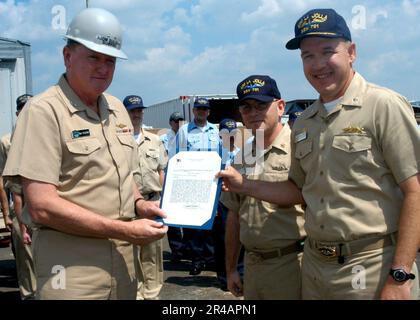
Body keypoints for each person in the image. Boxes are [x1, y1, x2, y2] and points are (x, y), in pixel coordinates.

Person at [219, 9, 420, 300]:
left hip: (370, 265)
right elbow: (297, 190)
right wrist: (243, 185)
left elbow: (415, 190)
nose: (318, 64)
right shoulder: (306, 121)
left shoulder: (382, 106)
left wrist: (400, 274)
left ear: (352, 52)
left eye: (328, 51)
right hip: (315, 268)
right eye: (307, 56)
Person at [2, 8, 167, 300]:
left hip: (124, 268)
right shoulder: (44, 111)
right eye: (93, 57)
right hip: (71, 274)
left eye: (110, 60)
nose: (103, 68)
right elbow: (42, 206)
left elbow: (121, 173)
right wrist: (124, 231)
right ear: (67, 56)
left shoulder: (116, 109)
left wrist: (140, 204)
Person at [220, 76, 306, 299]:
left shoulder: (300, 149)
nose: (253, 112)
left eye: (261, 106)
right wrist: (231, 269)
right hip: (252, 264)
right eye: (246, 107)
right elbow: (234, 215)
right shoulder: (244, 155)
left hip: (291, 264)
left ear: (280, 107)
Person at [123, 95, 167, 300]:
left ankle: (152, 293)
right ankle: (136, 293)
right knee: (131, 253)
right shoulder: (118, 141)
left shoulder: (155, 140)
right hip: (127, 205)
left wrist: (164, 199)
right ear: (125, 113)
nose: (136, 114)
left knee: (153, 253)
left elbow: (161, 171)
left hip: (152, 201)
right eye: (132, 111)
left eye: (139, 110)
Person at [175, 97, 219, 275]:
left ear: (208, 112)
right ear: (193, 111)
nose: (201, 111)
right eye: (198, 109)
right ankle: (196, 260)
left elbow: (221, 155)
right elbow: (176, 156)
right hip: (191, 182)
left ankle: (210, 259)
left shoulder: (215, 131)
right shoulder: (184, 131)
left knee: (210, 223)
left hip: (211, 183)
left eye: (204, 109)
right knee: (192, 226)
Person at [0, 93, 36, 299]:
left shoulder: (45, 135)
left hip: (45, 208)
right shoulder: (7, 141)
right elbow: (3, 179)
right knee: (25, 263)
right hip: (20, 208)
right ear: (17, 112)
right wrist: (6, 213)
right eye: (23, 108)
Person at [160, 111, 188, 262]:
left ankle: (189, 249)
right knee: (172, 216)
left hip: (184, 178)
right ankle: (177, 250)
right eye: (176, 121)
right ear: (171, 123)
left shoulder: (188, 136)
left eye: (181, 121)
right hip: (169, 178)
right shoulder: (163, 139)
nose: (179, 123)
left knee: (188, 215)